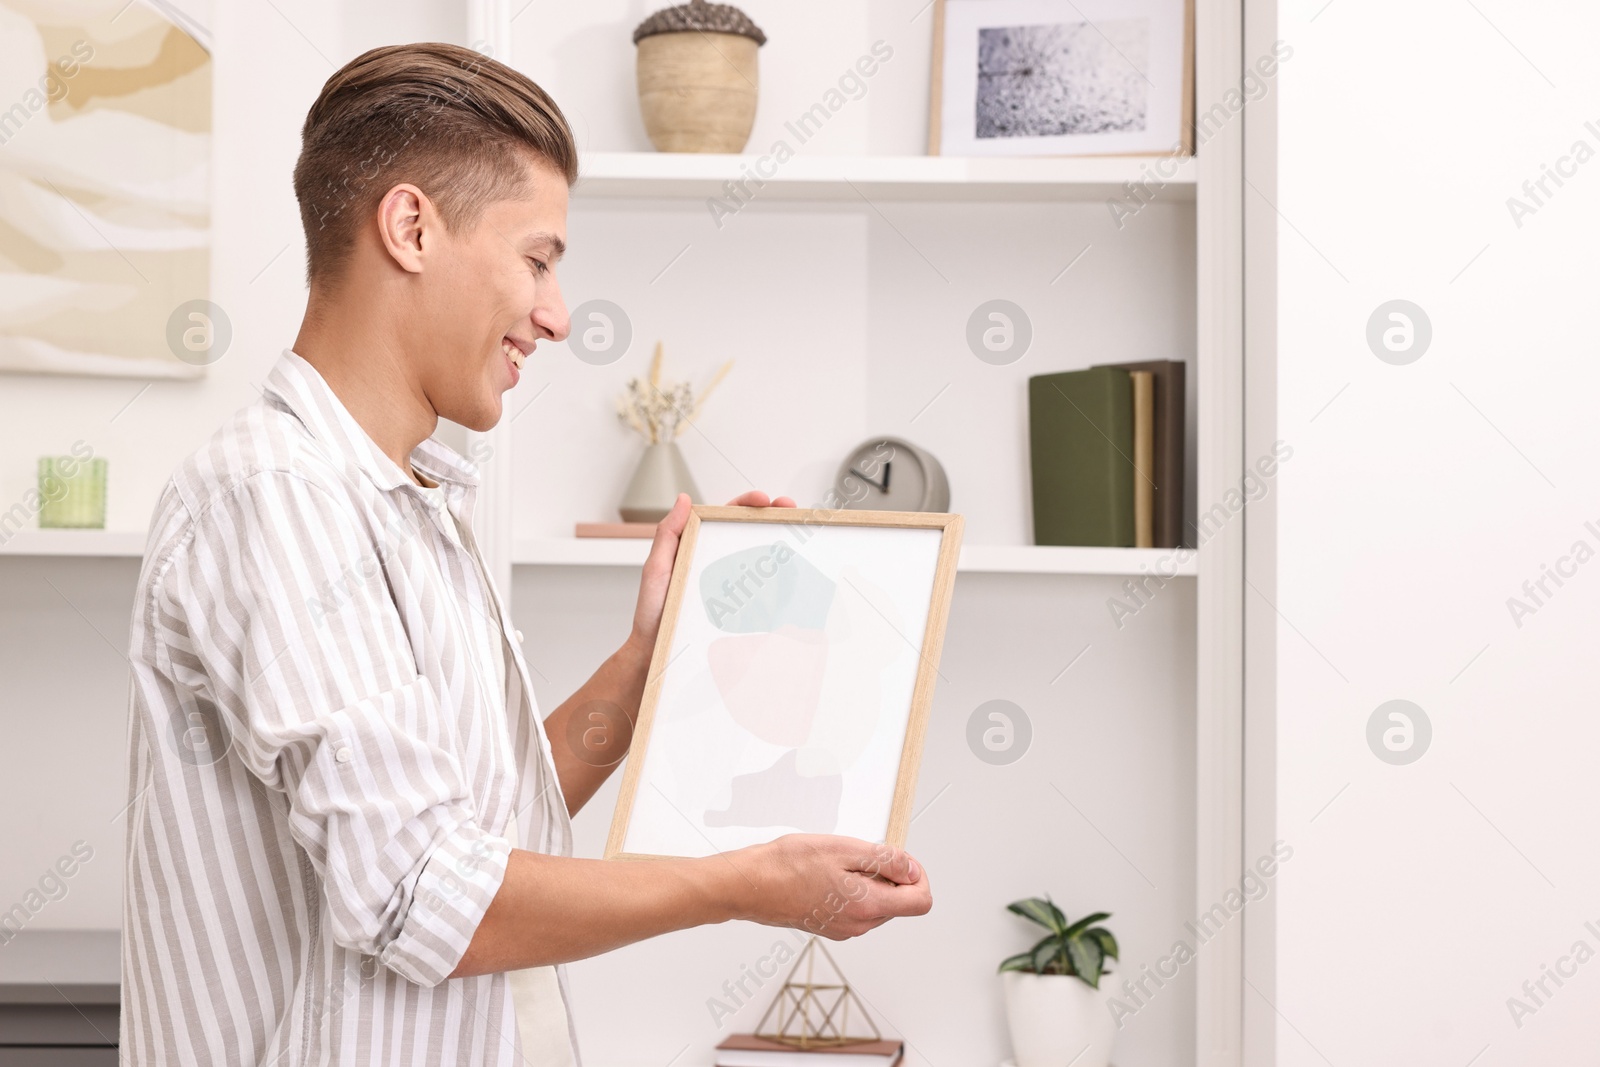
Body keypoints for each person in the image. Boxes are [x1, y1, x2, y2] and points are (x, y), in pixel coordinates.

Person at [119, 42, 931, 1067]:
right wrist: (746, 882)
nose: (554, 313)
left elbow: (478, 833)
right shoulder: (276, 501)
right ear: (411, 227)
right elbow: (422, 892)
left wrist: (653, 656)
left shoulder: (402, 501)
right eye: (538, 258)